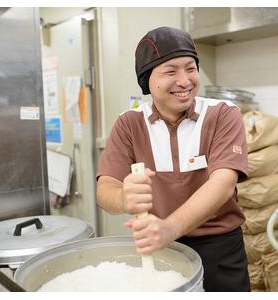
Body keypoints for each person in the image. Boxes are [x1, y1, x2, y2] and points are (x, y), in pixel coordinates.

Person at [96, 26, 250, 292]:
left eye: (190, 68)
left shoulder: (222, 114)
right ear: (146, 79)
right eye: (170, 71)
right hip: (162, 251)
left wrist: (169, 228)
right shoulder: (129, 124)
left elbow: (223, 183)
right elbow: (105, 188)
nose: (185, 80)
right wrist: (123, 197)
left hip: (220, 251)